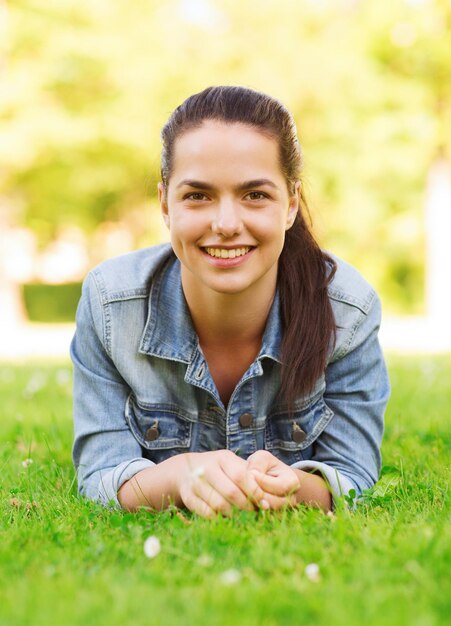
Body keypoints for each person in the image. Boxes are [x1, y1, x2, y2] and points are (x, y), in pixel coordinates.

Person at [71, 85, 390, 518]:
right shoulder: (111, 305)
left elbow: (353, 477)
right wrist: (180, 475)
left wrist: (294, 488)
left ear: (291, 204)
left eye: (255, 195)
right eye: (198, 195)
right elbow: (101, 475)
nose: (225, 224)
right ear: (165, 203)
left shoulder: (347, 310)